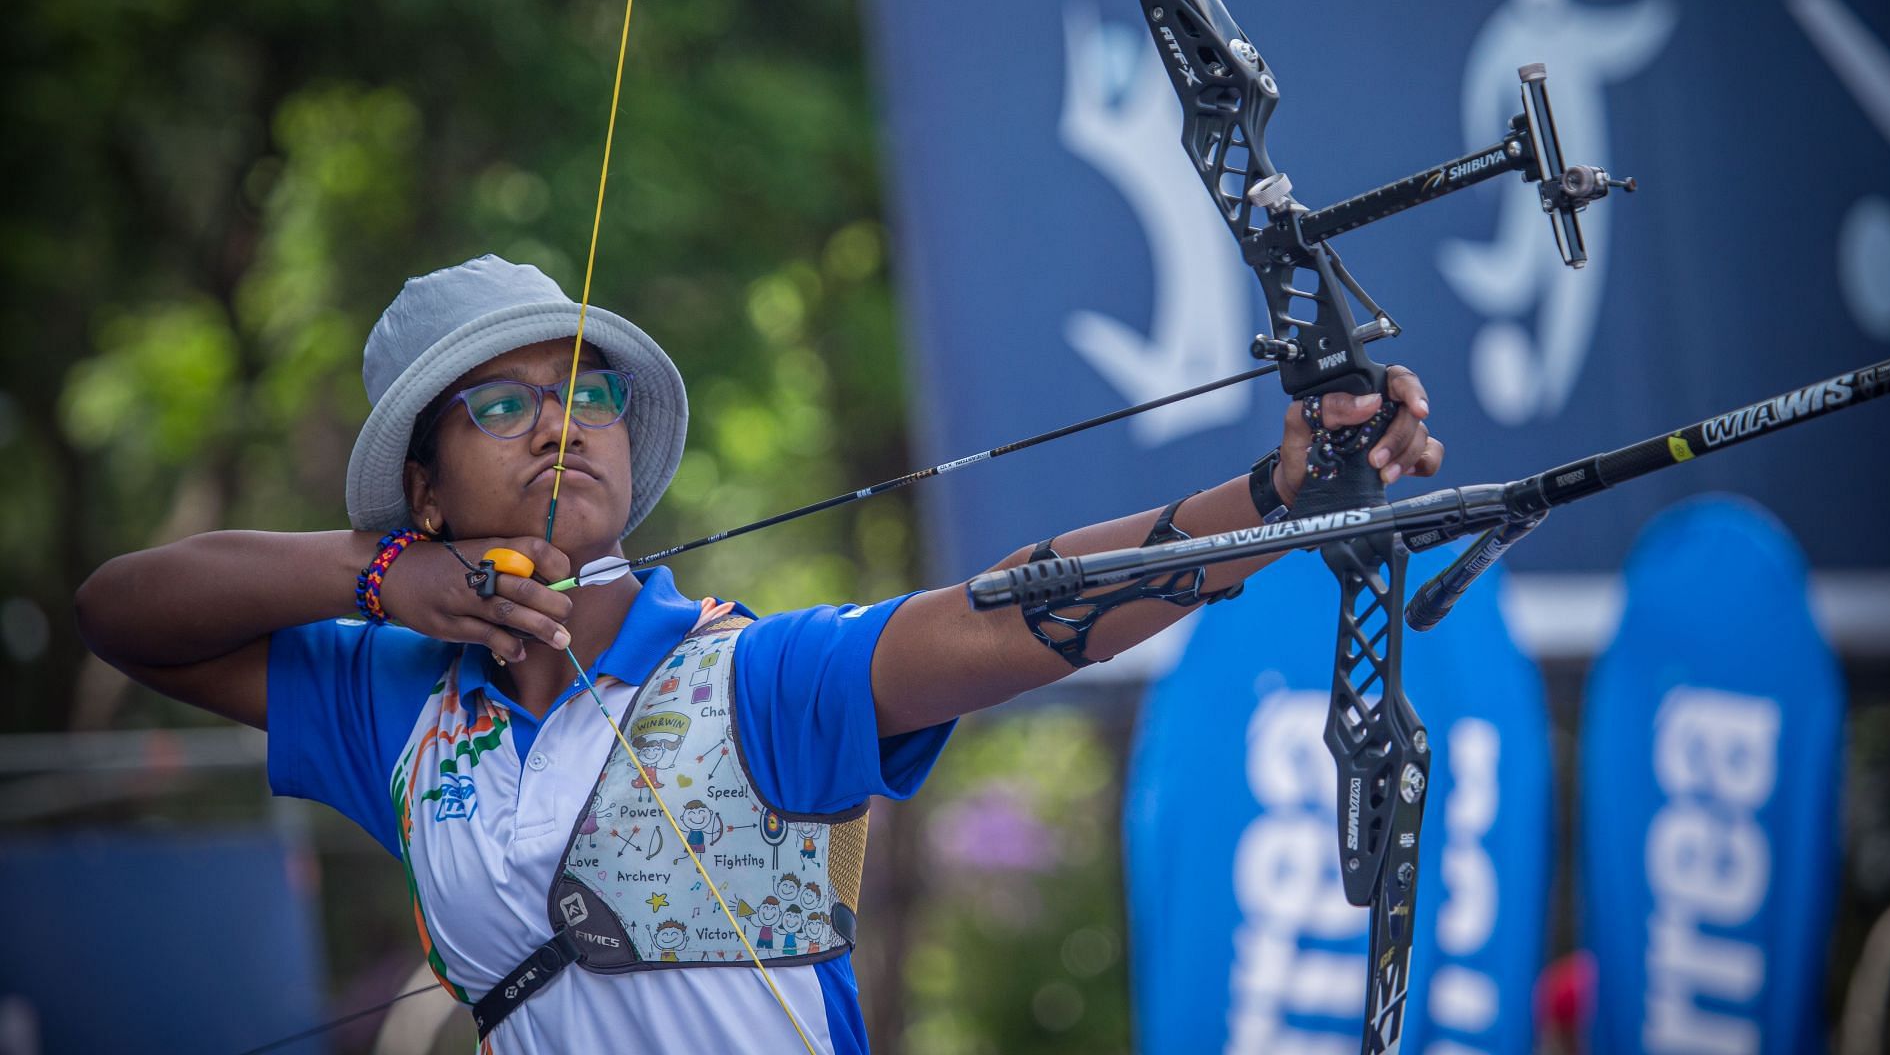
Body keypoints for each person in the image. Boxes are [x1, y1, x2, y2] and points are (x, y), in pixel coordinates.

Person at [75, 254, 1443, 1053]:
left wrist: (1273, 500)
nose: (563, 423)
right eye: (504, 404)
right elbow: (123, 612)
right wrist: (376, 575)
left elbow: (1017, 612)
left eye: (588, 393)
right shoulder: (403, 711)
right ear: (424, 485)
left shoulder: (748, 684)